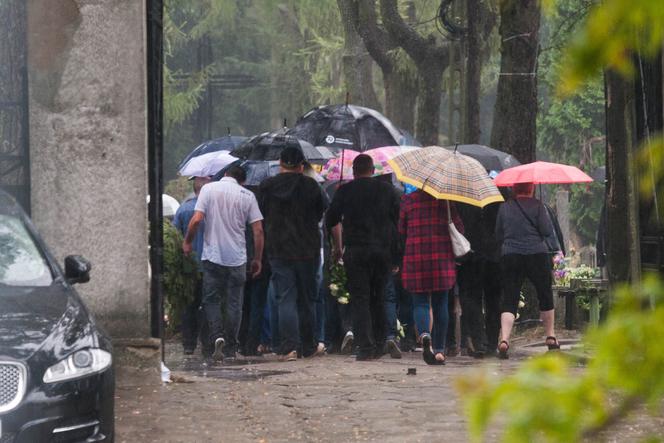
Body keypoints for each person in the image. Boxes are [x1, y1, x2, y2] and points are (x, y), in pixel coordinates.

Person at [182, 166, 264, 362]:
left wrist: (187, 241)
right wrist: (257, 259)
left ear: (225, 174)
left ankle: (216, 335)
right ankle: (230, 346)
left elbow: (196, 220)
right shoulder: (248, 195)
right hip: (238, 258)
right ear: (242, 181)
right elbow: (258, 230)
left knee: (211, 300)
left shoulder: (208, 189)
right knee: (235, 303)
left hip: (212, 257)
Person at [326, 154, 400, 361]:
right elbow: (397, 223)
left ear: (354, 171)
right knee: (379, 297)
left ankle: (365, 346)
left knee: (360, 298)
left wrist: (337, 247)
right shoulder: (388, 191)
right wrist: (396, 256)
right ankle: (379, 342)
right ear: (372, 170)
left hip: (357, 251)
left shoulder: (346, 191)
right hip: (382, 251)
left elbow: (331, 218)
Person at [258, 147, 327, 361]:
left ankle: (289, 348)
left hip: (278, 250)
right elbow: (321, 212)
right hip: (308, 250)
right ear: (301, 165)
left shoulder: (267, 186)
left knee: (285, 298)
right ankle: (309, 345)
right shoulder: (311, 185)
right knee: (307, 299)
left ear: (280, 163)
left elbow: (260, 215)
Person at [495, 182, 559, 359]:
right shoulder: (538, 206)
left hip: (510, 255)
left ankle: (505, 339)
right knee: (544, 294)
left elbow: (498, 234)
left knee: (510, 297)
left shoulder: (504, 208)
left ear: (514, 189)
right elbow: (546, 230)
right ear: (530, 188)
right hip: (536, 254)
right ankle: (551, 336)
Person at [399, 190, 463, 365]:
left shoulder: (408, 200)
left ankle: (425, 334)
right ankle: (440, 349)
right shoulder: (446, 202)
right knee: (440, 303)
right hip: (441, 257)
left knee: (420, 302)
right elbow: (459, 228)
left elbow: (401, 229)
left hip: (416, 256)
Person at [173, 176, 210, 355]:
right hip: (211, 264)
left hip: (189, 265)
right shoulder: (212, 210)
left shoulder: (183, 209)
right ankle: (207, 342)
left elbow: (175, 237)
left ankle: (189, 344)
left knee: (190, 305)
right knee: (209, 304)